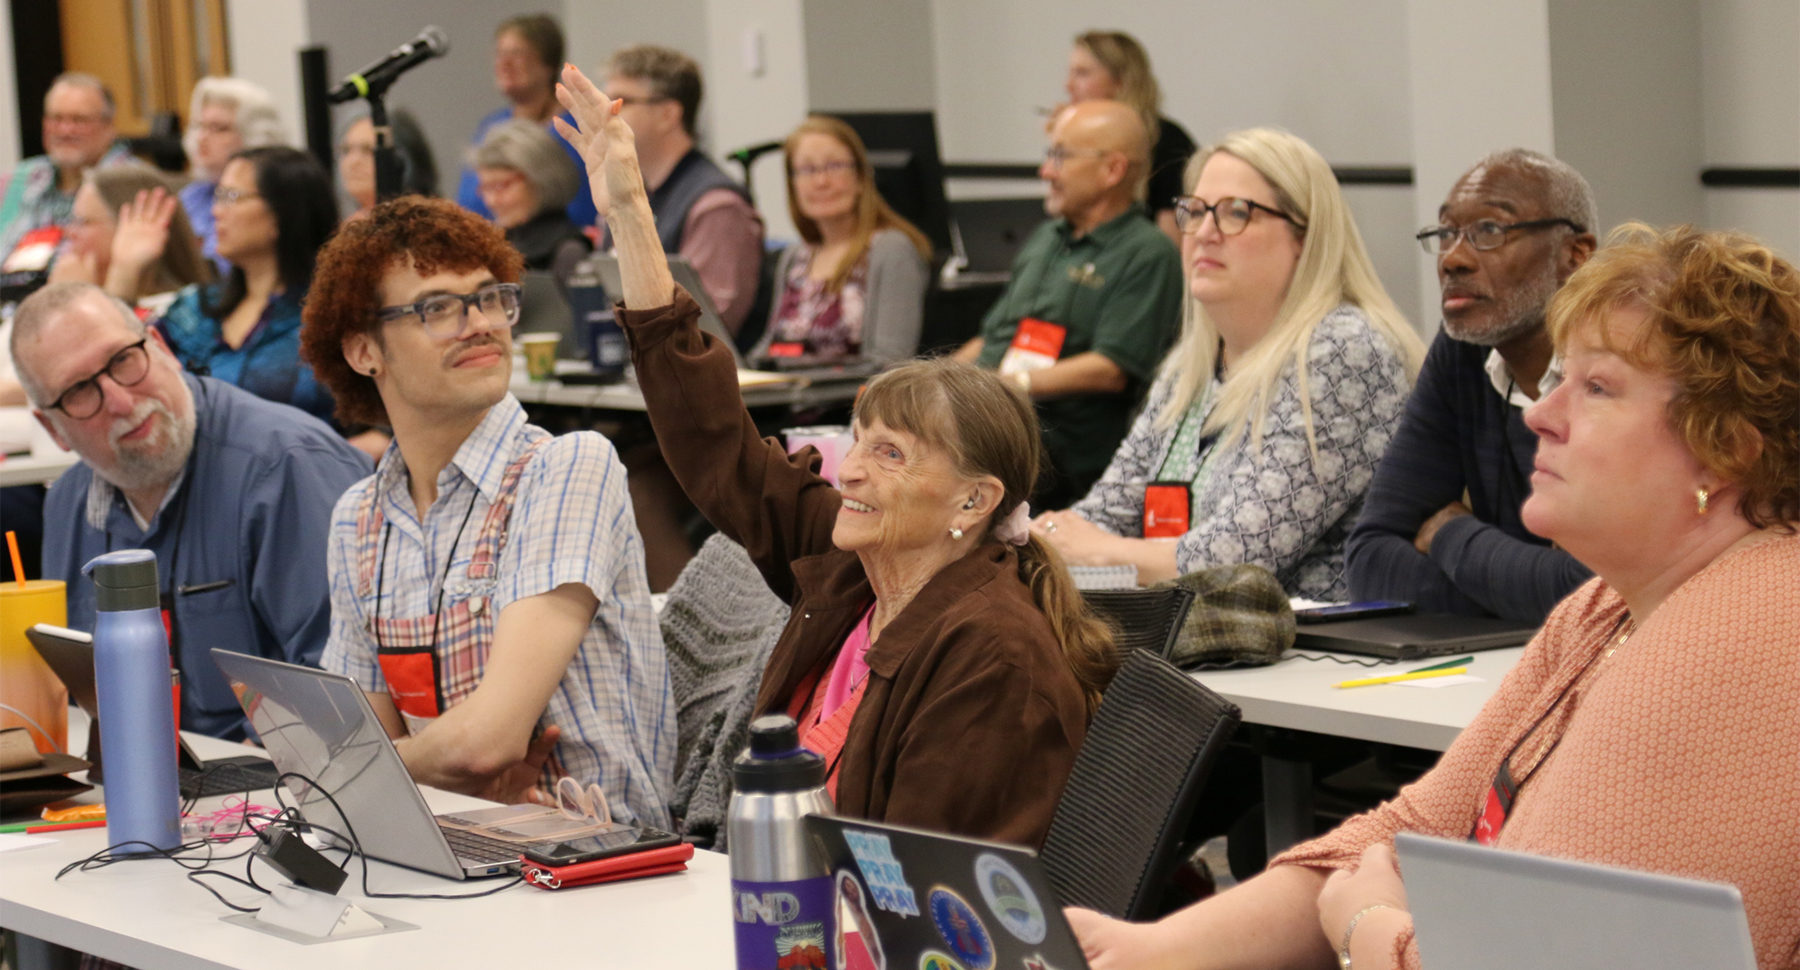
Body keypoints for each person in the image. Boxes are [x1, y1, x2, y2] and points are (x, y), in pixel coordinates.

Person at [1068, 224, 1800, 970]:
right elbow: (1411, 832)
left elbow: (1534, 960)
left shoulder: (1746, 631)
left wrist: (1369, 927)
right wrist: (1148, 951)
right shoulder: (1605, 608)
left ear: (1728, 446)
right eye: (1557, 381)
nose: (1541, 415)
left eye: (1600, 387)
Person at [559, 63, 1109, 844]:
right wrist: (629, 212)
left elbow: (918, 885)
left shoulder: (995, 658)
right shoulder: (860, 570)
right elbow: (716, 442)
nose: (848, 469)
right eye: (859, 443)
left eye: (890, 455)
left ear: (972, 500)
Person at [299, 195, 673, 821]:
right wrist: (370, 775)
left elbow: (485, 743)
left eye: (490, 297)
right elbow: (361, 760)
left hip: (600, 865)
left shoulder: (565, 467)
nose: (481, 323)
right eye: (437, 308)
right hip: (445, 846)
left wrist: (343, 778)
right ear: (364, 351)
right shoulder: (357, 518)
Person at [1030, 129, 1425, 597]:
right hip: (1199, 642)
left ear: (1304, 235)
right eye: (1194, 212)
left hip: (1324, 653)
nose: (1205, 233)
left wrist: (1096, 552)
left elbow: (1238, 559)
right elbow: (1107, 510)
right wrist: (1042, 542)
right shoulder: (1190, 366)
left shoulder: (1341, 349)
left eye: (1237, 212)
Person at [12, 282, 370, 739]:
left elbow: (342, 699)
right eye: (80, 391)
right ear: (53, 428)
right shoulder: (68, 505)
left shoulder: (288, 467)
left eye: (124, 360)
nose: (121, 401)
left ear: (160, 346)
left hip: (279, 789)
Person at [1346, 149, 1598, 622]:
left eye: (1490, 231)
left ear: (1575, 255)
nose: (1453, 259)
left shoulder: (1621, 368)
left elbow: (1593, 596)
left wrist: (1450, 536)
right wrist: (1517, 588)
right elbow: (1370, 563)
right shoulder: (1464, 348)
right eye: (1445, 233)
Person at [954, 100, 1183, 511]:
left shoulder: (1148, 253)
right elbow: (991, 338)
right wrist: (935, 382)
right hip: (990, 418)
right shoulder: (1046, 237)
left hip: (1054, 451)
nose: (1045, 172)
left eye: (1059, 157)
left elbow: (1110, 370)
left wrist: (1002, 388)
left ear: (1112, 169)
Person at [152, 146, 344, 429]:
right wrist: (126, 269)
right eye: (218, 196)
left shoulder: (333, 318)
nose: (216, 211)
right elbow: (131, 371)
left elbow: (378, 427)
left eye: (231, 197)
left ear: (282, 213)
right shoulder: (195, 310)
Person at [600, 45, 764, 337]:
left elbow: (705, 326)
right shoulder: (631, 194)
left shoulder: (716, 205)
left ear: (668, 114)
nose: (604, 114)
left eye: (618, 102)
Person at [750, 115, 931, 365]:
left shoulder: (891, 250)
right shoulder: (795, 257)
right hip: (784, 399)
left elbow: (890, 362)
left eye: (834, 166)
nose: (821, 181)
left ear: (861, 178)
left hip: (851, 402)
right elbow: (770, 347)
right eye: (807, 170)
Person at [455, 13, 596, 228]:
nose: (505, 63)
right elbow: (467, 205)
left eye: (517, 54)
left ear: (548, 64)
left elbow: (582, 210)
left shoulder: (577, 128)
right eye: (499, 54)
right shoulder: (491, 126)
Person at [1064, 30, 1196, 244]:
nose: (1068, 86)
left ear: (1121, 81)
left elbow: (1172, 245)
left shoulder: (1167, 141)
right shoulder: (1079, 143)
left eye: (1082, 73)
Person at [47, 163, 212, 315]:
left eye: (83, 222)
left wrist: (73, 299)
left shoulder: (172, 311)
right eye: (72, 220)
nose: (69, 233)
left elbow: (110, 343)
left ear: (135, 228)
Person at [0, 74, 132, 262]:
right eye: (56, 118)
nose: (65, 130)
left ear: (109, 126)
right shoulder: (15, 180)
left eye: (78, 120)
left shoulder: (129, 184)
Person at [178, 77, 286, 276]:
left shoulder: (271, 197)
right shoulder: (191, 197)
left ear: (256, 135)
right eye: (199, 126)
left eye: (219, 128)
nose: (202, 137)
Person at [474, 119, 591, 286]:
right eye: (485, 187)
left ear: (541, 179)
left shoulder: (568, 252)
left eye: (500, 186)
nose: (490, 201)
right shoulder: (492, 248)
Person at [337, 107, 437, 222]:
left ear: (402, 160)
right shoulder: (346, 227)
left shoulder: (426, 225)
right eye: (346, 150)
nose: (353, 161)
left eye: (368, 150)